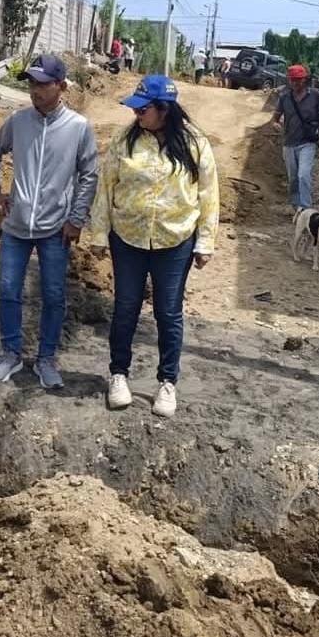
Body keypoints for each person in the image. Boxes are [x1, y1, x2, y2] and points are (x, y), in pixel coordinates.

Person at [88, 75, 219, 418]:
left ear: (164, 109)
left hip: (174, 240)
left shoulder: (194, 142)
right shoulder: (124, 140)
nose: (136, 115)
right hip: (128, 238)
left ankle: (167, 382)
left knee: (168, 312)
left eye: (143, 110)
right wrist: (98, 234)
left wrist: (205, 241)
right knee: (125, 307)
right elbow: (105, 187)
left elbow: (208, 193)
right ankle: (118, 375)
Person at [0, 54, 98, 389]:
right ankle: (10, 355)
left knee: (53, 294)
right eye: (31, 83)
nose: (35, 90)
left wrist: (76, 218)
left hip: (55, 229)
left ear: (61, 86)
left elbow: (89, 175)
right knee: (8, 290)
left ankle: (46, 359)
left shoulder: (78, 127)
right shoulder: (18, 122)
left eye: (42, 84)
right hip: (15, 225)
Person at [272, 64, 319, 211]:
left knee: (303, 175)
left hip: (308, 142)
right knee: (293, 178)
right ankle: (296, 207)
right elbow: (275, 118)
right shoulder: (284, 98)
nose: (295, 83)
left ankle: (306, 208)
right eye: (292, 80)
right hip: (289, 143)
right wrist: (275, 124)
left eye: (298, 80)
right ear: (289, 80)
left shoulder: (315, 96)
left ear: (304, 80)